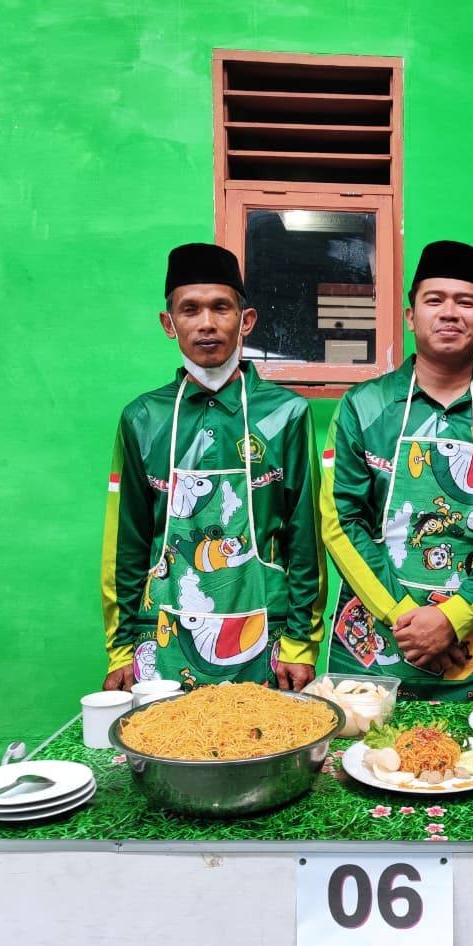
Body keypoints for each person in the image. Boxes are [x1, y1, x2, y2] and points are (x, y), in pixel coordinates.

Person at [320, 240, 473, 699]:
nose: (449, 313)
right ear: (410, 316)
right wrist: (404, 617)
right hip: (373, 641)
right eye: (434, 300)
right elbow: (341, 522)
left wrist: (453, 618)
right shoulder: (363, 406)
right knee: (361, 763)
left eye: (466, 302)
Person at [101, 243, 325, 693]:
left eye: (221, 307)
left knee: (266, 750)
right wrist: (121, 648)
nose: (206, 323)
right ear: (170, 324)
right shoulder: (143, 419)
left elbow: (306, 540)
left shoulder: (286, 415)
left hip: (267, 633)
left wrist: (302, 643)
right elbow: (126, 541)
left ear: (246, 321)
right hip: (162, 630)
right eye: (190, 309)